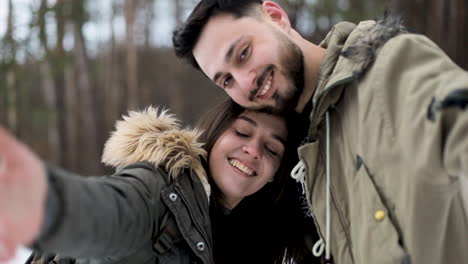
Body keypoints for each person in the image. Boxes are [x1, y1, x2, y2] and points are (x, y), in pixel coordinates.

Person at [172, 1, 468, 263]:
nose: (245, 83)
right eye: (226, 80)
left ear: (275, 16)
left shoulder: (386, 71)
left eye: (243, 53)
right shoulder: (301, 144)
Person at [0, 99, 316, 264]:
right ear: (214, 134)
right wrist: (42, 204)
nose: (253, 150)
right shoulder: (159, 192)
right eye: (242, 132)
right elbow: (105, 211)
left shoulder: (257, 236)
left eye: (272, 149)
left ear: (277, 173)